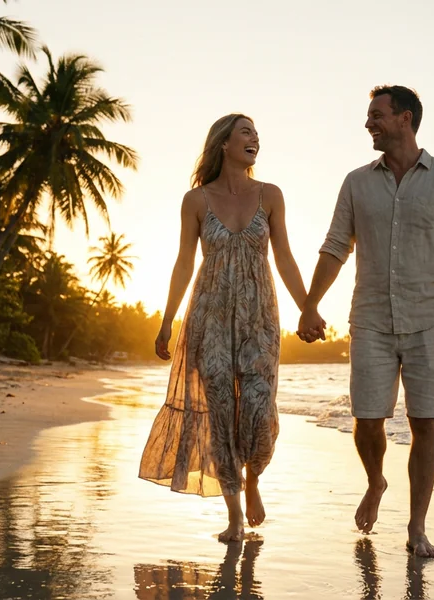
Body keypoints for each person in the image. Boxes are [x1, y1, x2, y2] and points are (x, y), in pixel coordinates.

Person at [298, 86, 434, 558]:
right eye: (369, 116)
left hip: (429, 319)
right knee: (367, 419)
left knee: (425, 424)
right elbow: (335, 246)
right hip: (371, 319)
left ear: (405, 118)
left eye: (377, 115)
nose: (369, 123)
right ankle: (375, 480)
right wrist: (309, 303)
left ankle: (417, 526)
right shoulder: (356, 183)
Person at [140, 114, 309, 542]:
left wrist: (307, 307)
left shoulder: (270, 195)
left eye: (256, 133)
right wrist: (167, 320)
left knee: (258, 408)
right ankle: (234, 514)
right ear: (224, 144)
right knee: (219, 413)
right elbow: (183, 262)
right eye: (246, 132)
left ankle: (253, 480)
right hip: (208, 315)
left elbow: (285, 257)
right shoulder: (195, 200)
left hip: (260, 317)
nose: (255, 138)